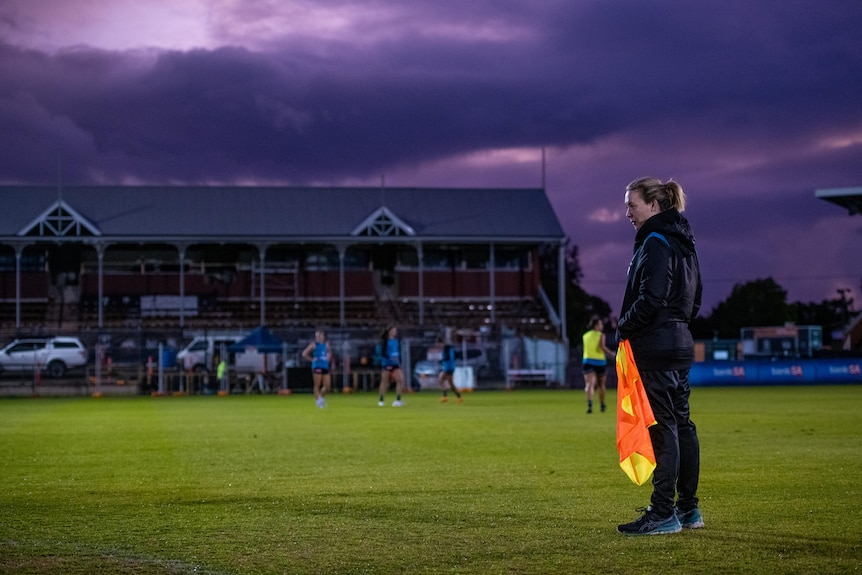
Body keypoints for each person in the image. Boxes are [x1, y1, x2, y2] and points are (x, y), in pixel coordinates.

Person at [615, 177, 704, 536]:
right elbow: (695, 300)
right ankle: (688, 509)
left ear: (653, 205)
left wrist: (623, 326)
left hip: (655, 347)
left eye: (631, 205)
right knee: (682, 426)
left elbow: (650, 299)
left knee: (664, 429)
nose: (627, 213)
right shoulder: (685, 243)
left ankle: (663, 512)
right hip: (680, 343)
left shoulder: (654, 243)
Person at [582, 316, 614, 413]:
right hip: (600, 361)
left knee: (589, 384)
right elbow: (602, 347)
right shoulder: (601, 335)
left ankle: (590, 404)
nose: (602, 326)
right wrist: (612, 353)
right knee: (601, 385)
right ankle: (602, 404)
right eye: (600, 324)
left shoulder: (585, 335)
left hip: (587, 360)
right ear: (596, 326)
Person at [302, 329, 333, 408]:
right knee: (317, 385)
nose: (318, 337)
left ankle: (321, 398)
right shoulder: (314, 344)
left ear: (323, 336)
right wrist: (312, 359)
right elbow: (304, 353)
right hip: (317, 366)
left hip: (325, 365)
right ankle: (318, 402)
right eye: (317, 336)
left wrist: (328, 357)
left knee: (327, 385)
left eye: (320, 336)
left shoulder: (326, 344)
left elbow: (329, 352)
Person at [377, 324, 405, 407]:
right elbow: (383, 353)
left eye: (395, 331)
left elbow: (398, 352)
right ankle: (381, 400)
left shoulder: (396, 341)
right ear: (389, 332)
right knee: (385, 381)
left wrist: (398, 360)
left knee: (400, 380)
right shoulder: (385, 341)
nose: (395, 332)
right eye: (393, 330)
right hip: (387, 363)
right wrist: (389, 359)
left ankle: (398, 400)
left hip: (396, 363)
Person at [437, 337, 463, 403]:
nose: (438, 346)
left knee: (445, 381)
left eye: (439, 344)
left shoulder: (446, 348)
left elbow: (447, 357)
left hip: (448, 367)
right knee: (446, 382)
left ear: (441, 343)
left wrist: (441, 361)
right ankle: (456, 397)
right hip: (449, 367)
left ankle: (446, 396)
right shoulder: (449, 348)